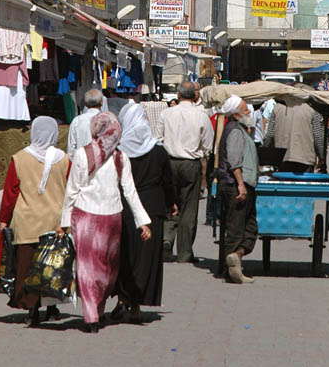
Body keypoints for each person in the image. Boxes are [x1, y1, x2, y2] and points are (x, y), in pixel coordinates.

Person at [58, 112, 151, 332]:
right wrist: (142, 222)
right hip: (104, 218)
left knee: (98, 269)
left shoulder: (89, 155)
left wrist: (64, 221)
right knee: (98, 269)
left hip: (93, 218)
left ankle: (95, 313)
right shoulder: (118, 157)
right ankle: (93, 316)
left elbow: (73, 190)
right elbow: (129, 192)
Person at [0, 115, 71, 327]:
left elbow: (10, 194)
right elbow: (70, 190)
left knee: (27, 266)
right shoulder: (64, 159)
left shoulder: (19, 158)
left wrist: (4, 219)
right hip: (54, 222)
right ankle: (51, 306)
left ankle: (32, 310)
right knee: (52, 267)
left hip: (27, 223)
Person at [112, 104, 177, 322]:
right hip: (153, 209)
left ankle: (123, 297)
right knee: (146, 259)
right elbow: (167, 181)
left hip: (125, 208)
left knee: (124, 255)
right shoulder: (157, 150)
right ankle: (136, 305)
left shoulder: (118, 152)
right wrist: (171, 203)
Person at [162, 81, 214, 263]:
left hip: (168, 162)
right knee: (189, 208)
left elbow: (158, 139)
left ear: (178, 95)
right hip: (191, 164)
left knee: (168, 202)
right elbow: (208, 146)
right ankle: (184, 253)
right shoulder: (201, 116)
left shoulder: (166, 114)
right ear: (195, 96)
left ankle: (166, 240)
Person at [217, 95, 260, 284]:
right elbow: (234, 162)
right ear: (235, 115)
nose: (249, 111)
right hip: (236, 185)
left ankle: (236, 257)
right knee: (235, 229)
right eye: (245, 110)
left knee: (250, 226)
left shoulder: (240, 129)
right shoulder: (235, 131)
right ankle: (231, 271)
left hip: (242, 184)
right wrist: (241, 185)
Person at [274, 101, 326, 173]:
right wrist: (321, 157)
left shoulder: (277, 108)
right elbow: (318, 137)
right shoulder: (312, 110)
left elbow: (270, 135)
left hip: (281, 157)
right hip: (305, 159)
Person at [67, 88, 104, 156]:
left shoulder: (77, 121)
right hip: (102, 162)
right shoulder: (107, 120)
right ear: (102, 102)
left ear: (86, 104)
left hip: (82, 161)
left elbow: (71, 148)